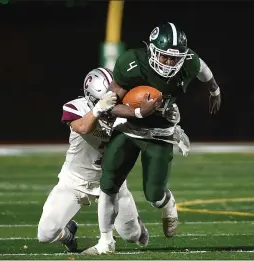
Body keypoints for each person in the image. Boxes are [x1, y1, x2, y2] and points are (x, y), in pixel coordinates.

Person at [82, 22, 221, 255]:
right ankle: (105, 242)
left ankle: (167, 205)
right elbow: (109, 106)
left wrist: (214, 90)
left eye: (174, 58)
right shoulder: (131, 63)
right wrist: (138, 112)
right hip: (128, 127)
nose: (169, 63)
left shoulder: (187, 61)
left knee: (154, 195)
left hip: (161, 133)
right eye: (164, 57)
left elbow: (202, 69)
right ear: (152, 51)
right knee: (108, 184)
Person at [37, 67, 149, 253]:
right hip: (74, 181)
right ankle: (68, 234)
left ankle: (136, 225)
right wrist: (98, 110)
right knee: (45, 234)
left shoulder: (124, 114)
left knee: (132, 236)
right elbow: (82, 127)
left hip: (112, 183)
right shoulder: (76, 108)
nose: (112, 109)